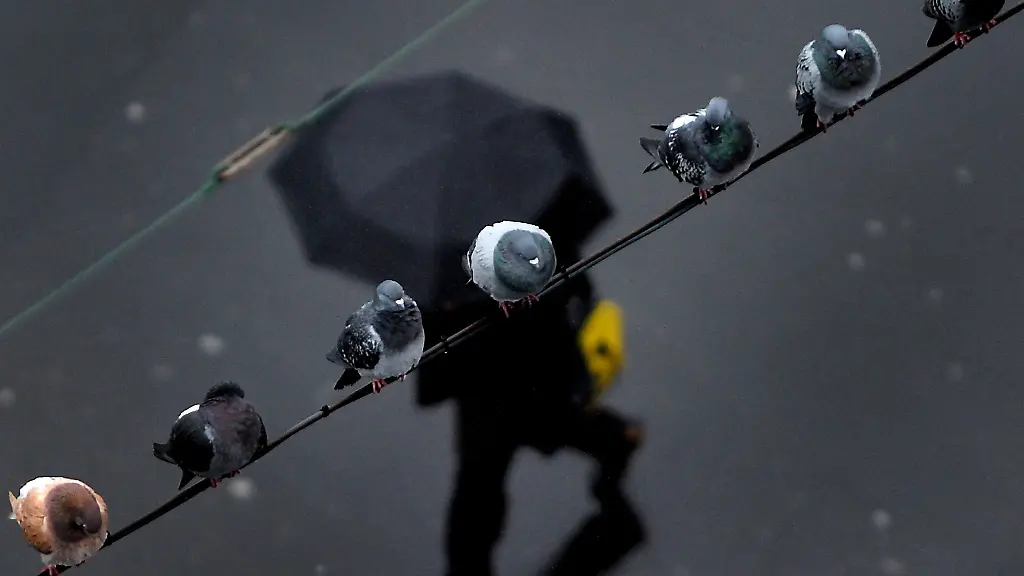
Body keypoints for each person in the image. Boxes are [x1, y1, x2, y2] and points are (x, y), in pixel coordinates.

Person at [418, 262, 647, 576]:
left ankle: (613, 500)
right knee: (480, 486)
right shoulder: (524, 252)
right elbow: (574, 288)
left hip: (501, 379)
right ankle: (613, 496)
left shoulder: (456, 265)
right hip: (513, 378)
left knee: (478, 487)